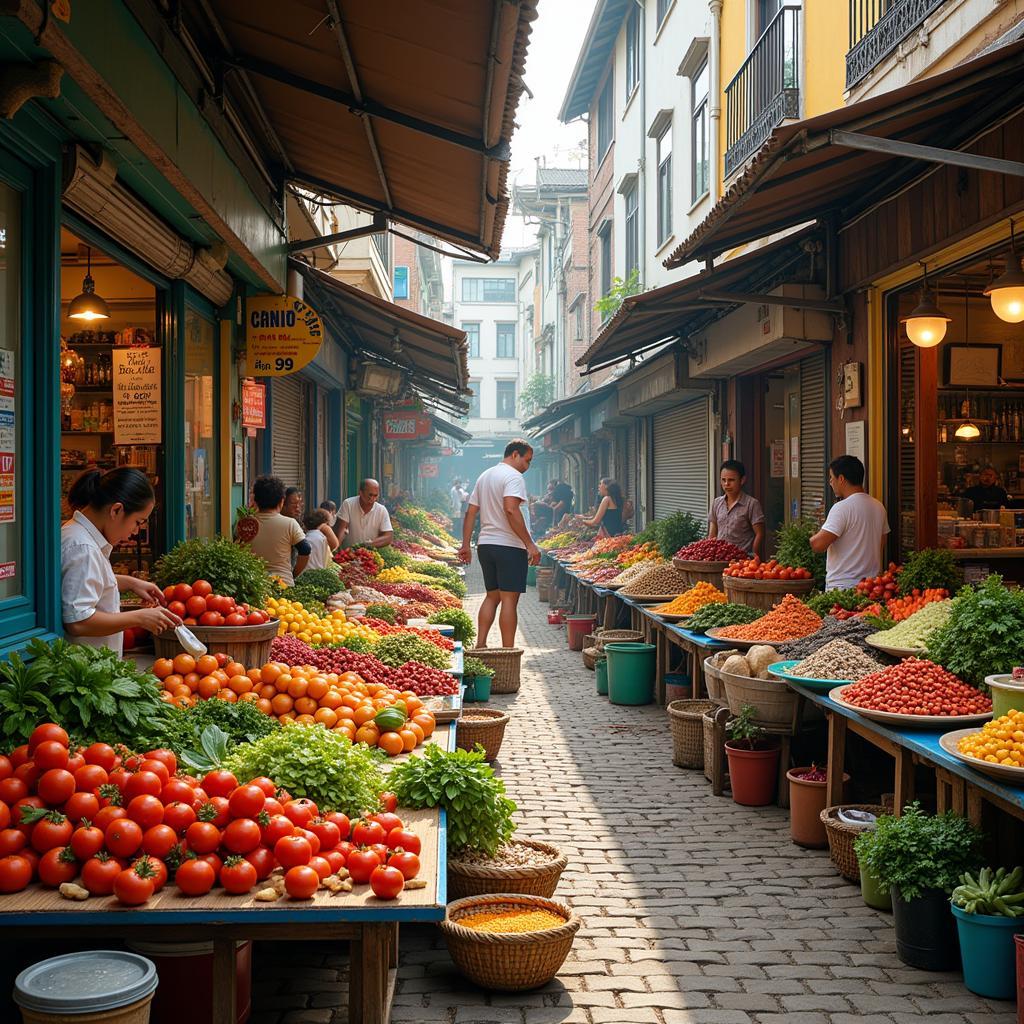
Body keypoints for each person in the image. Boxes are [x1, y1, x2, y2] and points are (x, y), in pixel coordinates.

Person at [61, 467, 181, 656]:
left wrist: (130, 583)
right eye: (138, 522)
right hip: (85, 670)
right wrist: (139, 617)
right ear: (116, 510)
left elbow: (89, 580)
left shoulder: (80, 537)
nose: (136, 531)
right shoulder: (83, 548)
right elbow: (78, 621)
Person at [459, 439, 541, 648]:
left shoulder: (485, 476)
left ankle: (481, 644)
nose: (527, 466)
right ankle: (508, 651)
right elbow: (511, 509)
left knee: (491, 597)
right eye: (527, 460)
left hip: (486, 545)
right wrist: (530, 544)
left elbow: (470, 512)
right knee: (509, 601)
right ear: (515, 454)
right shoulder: (514, 477)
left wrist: (466, 545)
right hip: (509, 547)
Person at [810, 455, 889, 590]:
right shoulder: (878, 506)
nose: (830, 482)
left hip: (842, 587)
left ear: (841, 479)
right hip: (872, 587)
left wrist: (812, 536)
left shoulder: (842, 508)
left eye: (831, 477)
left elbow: (818, 545)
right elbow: (881, 542)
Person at [245, 475, 310, 586]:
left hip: (253, 585)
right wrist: (293, 574)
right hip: (283, 585)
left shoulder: (244, 524)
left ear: (255, 501)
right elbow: (305, 549)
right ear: (281, 501)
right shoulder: (290, 523)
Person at [708, 460, 765, 557]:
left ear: (742, 480)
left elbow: (760, 534)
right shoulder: (716, 503)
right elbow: (713, 533)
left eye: (731, 480)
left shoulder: (752, 504)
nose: (726, 484)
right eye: (723, 480)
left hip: (742, 561)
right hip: (719, 559)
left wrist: (754, 556)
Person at [338, 479, 394, 549]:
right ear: (361, 493)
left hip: (369, 556)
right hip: (347, 554)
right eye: (370, 495)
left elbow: (388, 536)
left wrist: (371, 544)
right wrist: (337, 547)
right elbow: (342, 529)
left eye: (375, 496)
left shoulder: (381, 510)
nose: (372, 498)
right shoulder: (348, 504)